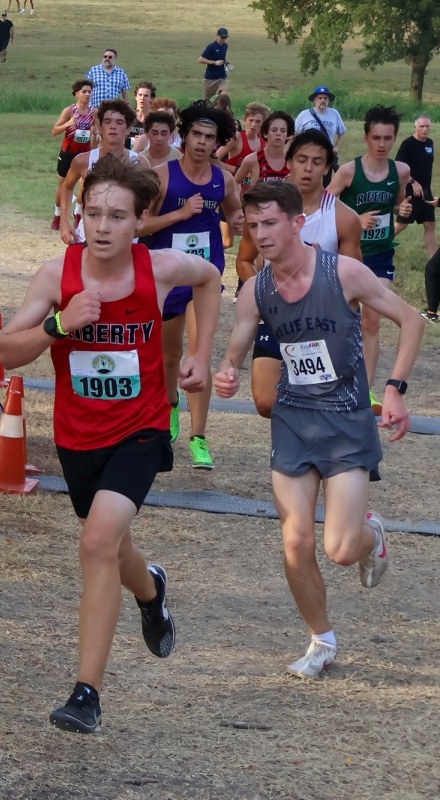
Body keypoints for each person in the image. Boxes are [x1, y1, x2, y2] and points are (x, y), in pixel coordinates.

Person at [0, 156, 222, 734]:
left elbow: (211, 279)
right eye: (92, 212)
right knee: (111, 544)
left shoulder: (162, 267)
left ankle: (86, 693)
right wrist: (59, 325)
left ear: (140, 219)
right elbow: (5, 355)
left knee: (97, 541)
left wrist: (200, 353)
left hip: (143, 428)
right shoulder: (56, 277)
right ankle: (152, 593)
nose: (101, 226)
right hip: (78, 437)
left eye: (117, 216)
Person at [215, 180, 423, 679]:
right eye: (254, 224)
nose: (261, 234)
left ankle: (371, 535)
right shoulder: (256, 289)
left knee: (341, 548)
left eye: (271, 223)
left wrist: (394, 389)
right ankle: (321, 640)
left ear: (297, 223)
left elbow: (411, 320)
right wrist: (224, 371)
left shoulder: (344, 272)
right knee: (297, 541)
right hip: (292, 420)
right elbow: (237, 347)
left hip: (347, 421)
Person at [139, 101, 242, 469]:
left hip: (204, 279)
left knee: (200, 354)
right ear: (185, 136)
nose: (201, 142)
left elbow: (235, 213)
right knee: (169, 357)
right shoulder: (161, 176)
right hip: (167, 278)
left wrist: (239, 222)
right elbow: (139, 227)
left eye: (209, 137)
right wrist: (181, 214)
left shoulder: (223, 180)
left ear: (218, 142)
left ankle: (199, 436)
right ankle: (169, 411)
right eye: (196, 135)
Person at [234, 129, 365, 417]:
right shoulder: (262, 207)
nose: (308, 168)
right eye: (302, 159)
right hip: (276, 315)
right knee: (266, 402)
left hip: (322, 321)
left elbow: (354, 284)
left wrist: (321, 267)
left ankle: (301, 452)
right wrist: (262, 297)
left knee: (319, 399)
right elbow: (244, 260)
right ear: (289, 161)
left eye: (317, 162)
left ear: (328, 168)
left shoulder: (343, 218)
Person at [330, 105, 414, 409]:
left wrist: (402, 211)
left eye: (387, 138)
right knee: (340, 321)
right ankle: (335, 383)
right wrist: (355, 219)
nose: (382, 144)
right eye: (376, 137)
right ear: (366, 137)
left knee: (372, 319)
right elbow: (323, 205)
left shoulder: (400, 171)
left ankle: (364, 392)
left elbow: (399, 208)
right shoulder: (349, 171)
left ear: (394, 139)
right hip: (350, 256)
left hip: (380, 257)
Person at [58, 99, 148, 246]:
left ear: (128, 129)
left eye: (119, 122)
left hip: (127, 239)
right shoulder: (83, 161)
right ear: (99, 127)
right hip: (89, 236)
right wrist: (64, 222)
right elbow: (67, 187)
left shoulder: (141, 164)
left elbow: (149, 203)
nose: (113, 126)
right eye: (108, 121)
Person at [51, 79, 97, 230]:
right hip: (68, 152)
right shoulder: (70, 111)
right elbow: (54, 131)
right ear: (76, 94)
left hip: (85, 153)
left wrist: (97, 138)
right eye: (84, 92)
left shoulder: (94, 112)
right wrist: (68, 124)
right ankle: (58, 215)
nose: (87, 94)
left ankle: (78, 213)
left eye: (89, 92)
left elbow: (97, 132)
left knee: (85, 184)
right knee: (63, 184)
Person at [395, 115, 437, 256]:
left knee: (430, 224)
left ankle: (434, 262)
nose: (425, 129)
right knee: (402, 224)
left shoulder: (430, 143)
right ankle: (377, 248)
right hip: (410, 192)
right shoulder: (408, 144)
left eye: (427, 126)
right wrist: (413, 182)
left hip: (426, 192)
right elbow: (398, 167)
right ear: (415, 127)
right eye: (421, 126)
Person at [295, 87, 346, 186]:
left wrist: (336, 148)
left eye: (325, 98)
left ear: (328, 100)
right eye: (320, 98)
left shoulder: (334, 114)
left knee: (324, 183)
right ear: (314, 100)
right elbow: (295, 134)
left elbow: (343, 132)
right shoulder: (304, 114)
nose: (322, 100)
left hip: (326, 154)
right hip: (306, 154)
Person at [234, 110, 293, 189]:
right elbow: (235, 182)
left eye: (283, 131)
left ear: (288, 135)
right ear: (265, 134)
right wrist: (241, 200)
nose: (278, 134)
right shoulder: (252, 159)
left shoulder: (294, 161)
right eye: (274, 130)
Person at [218, 102, 268, 190]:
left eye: (258, 121)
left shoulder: (264, 141)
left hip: (254, 190)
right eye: (251, 120)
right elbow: (213, 160)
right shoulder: (236, 138)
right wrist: (238, 170)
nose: (253, 125)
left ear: (263, 123)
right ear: (244, 120)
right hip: (234, 187)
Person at [200, 28, 229, 100]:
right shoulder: (211, 47)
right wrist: (214, 62)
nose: (224, 39)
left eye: (225, 37)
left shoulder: (225, 46)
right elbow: (201, 59)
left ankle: (221, 110)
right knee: (208, 101)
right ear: (217, 35)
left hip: (222, 76)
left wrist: (227, 63)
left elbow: (223, 57)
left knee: (223, 97)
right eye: (222, 37)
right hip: (211, 78)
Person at [128, 81, 155, 148]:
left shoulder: (156, 119)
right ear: (136, 97)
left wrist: (145, 139)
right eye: (140, 95)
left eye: (146, 96)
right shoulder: (128, 117)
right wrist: (133, 140)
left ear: (151, 98)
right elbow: (120, 137)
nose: (142, 98)